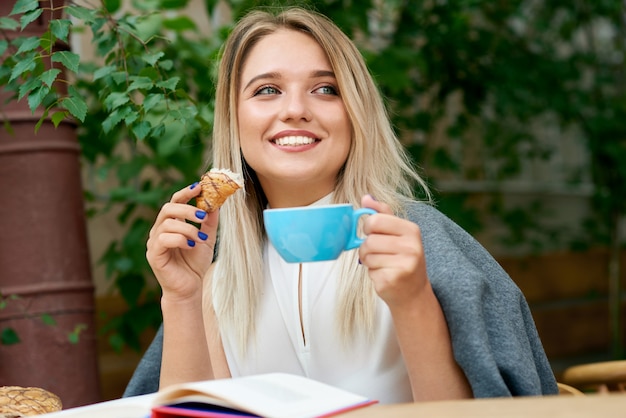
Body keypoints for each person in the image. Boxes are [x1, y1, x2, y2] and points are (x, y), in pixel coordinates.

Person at [131, 6, 558, 403]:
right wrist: (182, 298)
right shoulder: (216, 278)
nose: (295, 110)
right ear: (234, 119)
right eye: (267, 90)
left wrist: (412, 300)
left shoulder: (415, 246)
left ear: (355, 113)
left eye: (325, 89)